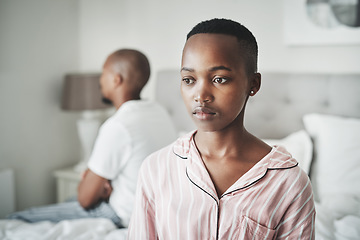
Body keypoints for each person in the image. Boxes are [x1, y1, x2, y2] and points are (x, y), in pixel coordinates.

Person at [127, 19, 315, 239]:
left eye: (219, 79)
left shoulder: (289, 184)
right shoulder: (156, 169)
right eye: (189, 79)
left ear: (253, 84)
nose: (200, 95)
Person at [7, 49, 177, 228]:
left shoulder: (119, 125)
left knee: (16, 218)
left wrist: (95, 185)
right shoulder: (159, 112)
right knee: (68, 201)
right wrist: (105, 183)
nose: (100, 80)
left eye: (103, 73)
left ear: (116, 79)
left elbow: (85, 199)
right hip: (153, 211)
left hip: (121, 215)